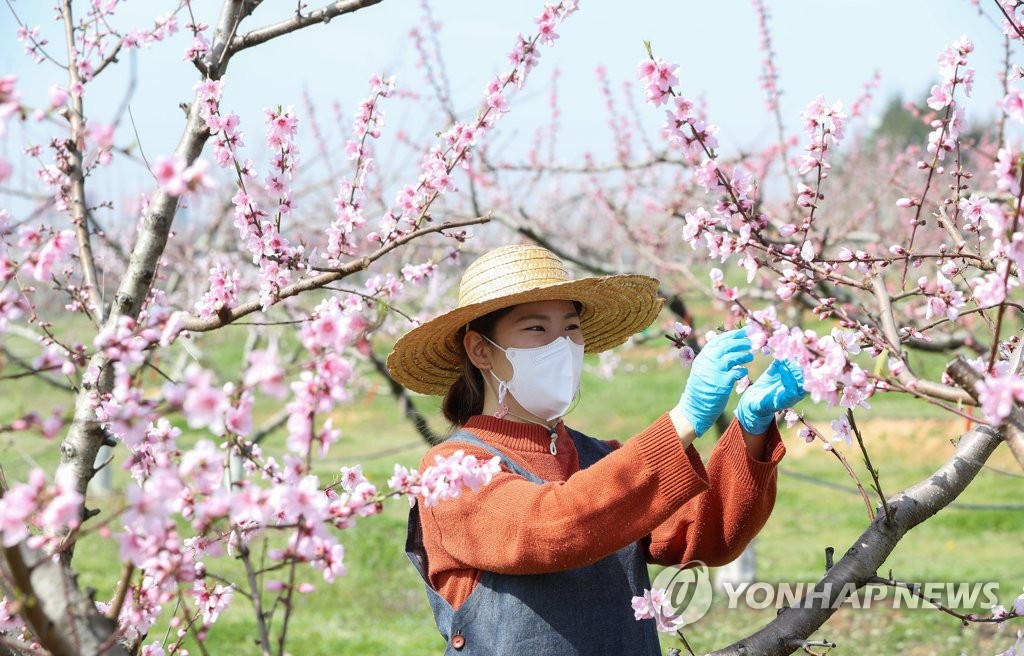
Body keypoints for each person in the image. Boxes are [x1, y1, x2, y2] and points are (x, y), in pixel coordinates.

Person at [386, 244, 805, 655]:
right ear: (481, 350)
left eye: (571, 328)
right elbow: (550, 526)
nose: (562, 345)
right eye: (536, 329)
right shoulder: (452, 472)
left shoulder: (599, 458)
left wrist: (751, 430)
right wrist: (684, 420)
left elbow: (710, 537)